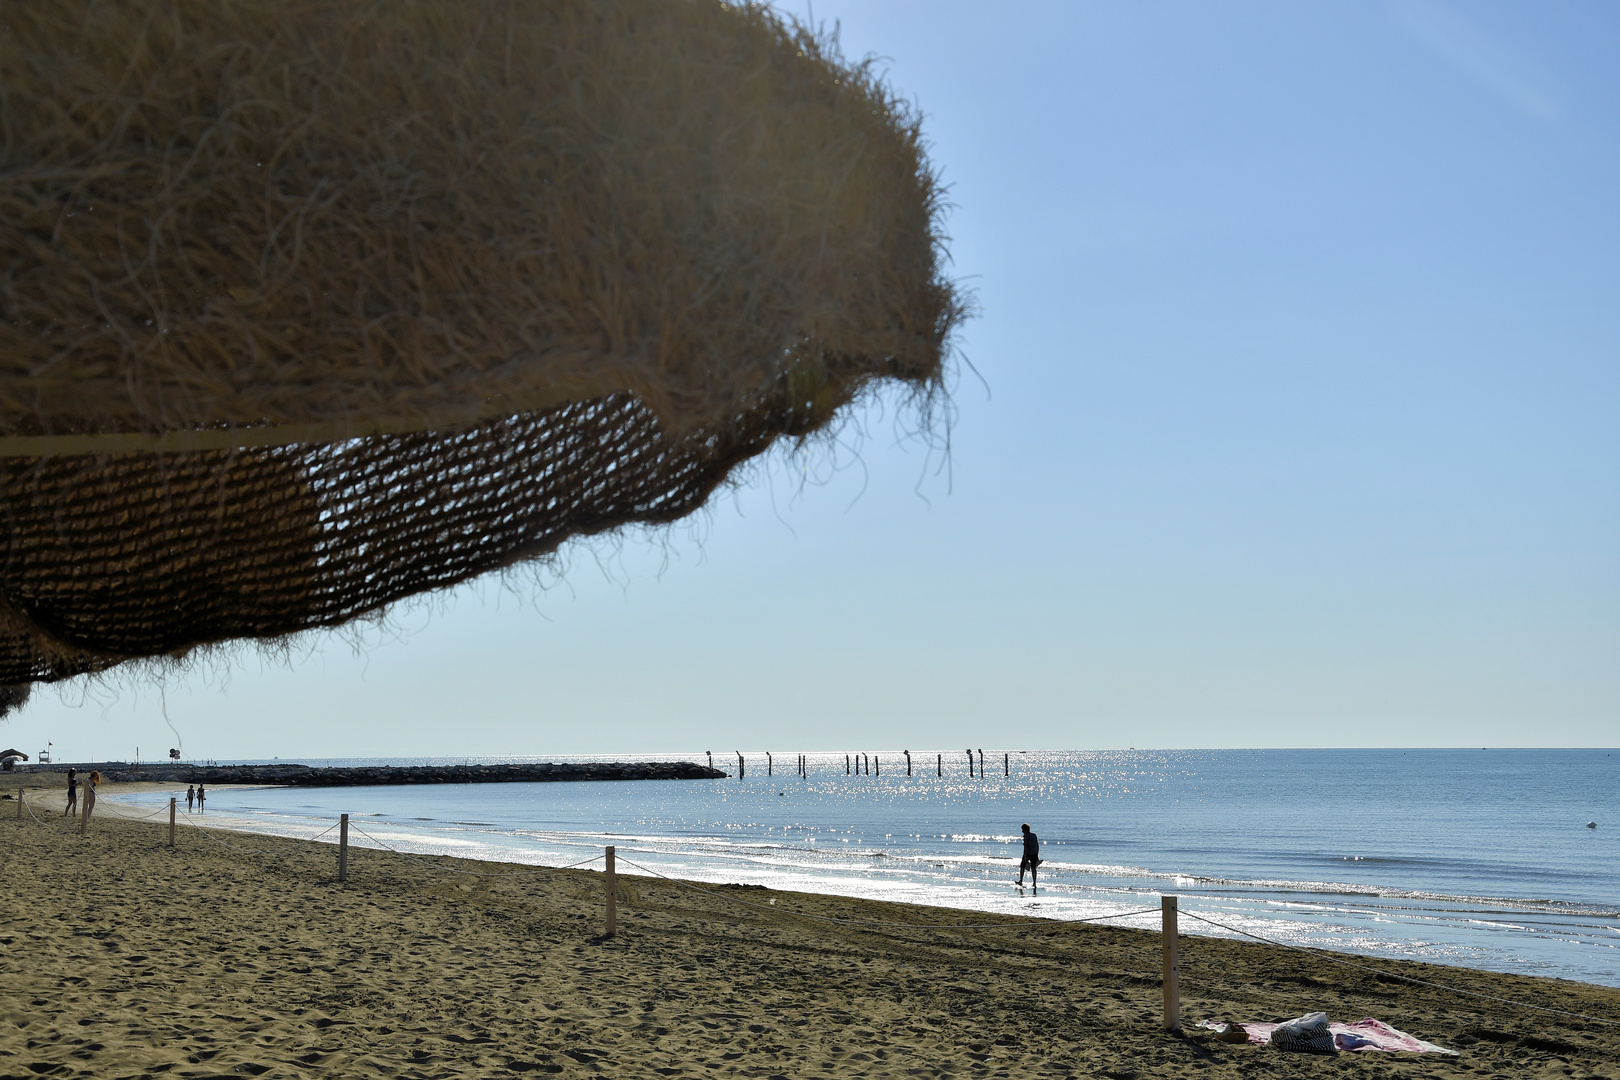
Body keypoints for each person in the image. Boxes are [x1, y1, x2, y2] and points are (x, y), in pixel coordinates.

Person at [1017, 822, 1041, 888]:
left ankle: (1021, 880)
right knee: (1033, 868)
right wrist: (1037, 854)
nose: (1022, 831)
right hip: (1034, 853)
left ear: (1024, 830)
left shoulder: (1025, 836)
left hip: (1028, 853)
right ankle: (1034, 882)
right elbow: (1037, 845)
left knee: (1022, 866)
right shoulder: (1034, 835)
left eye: (1022, 830)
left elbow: (1026, 846)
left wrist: (1025, 856)